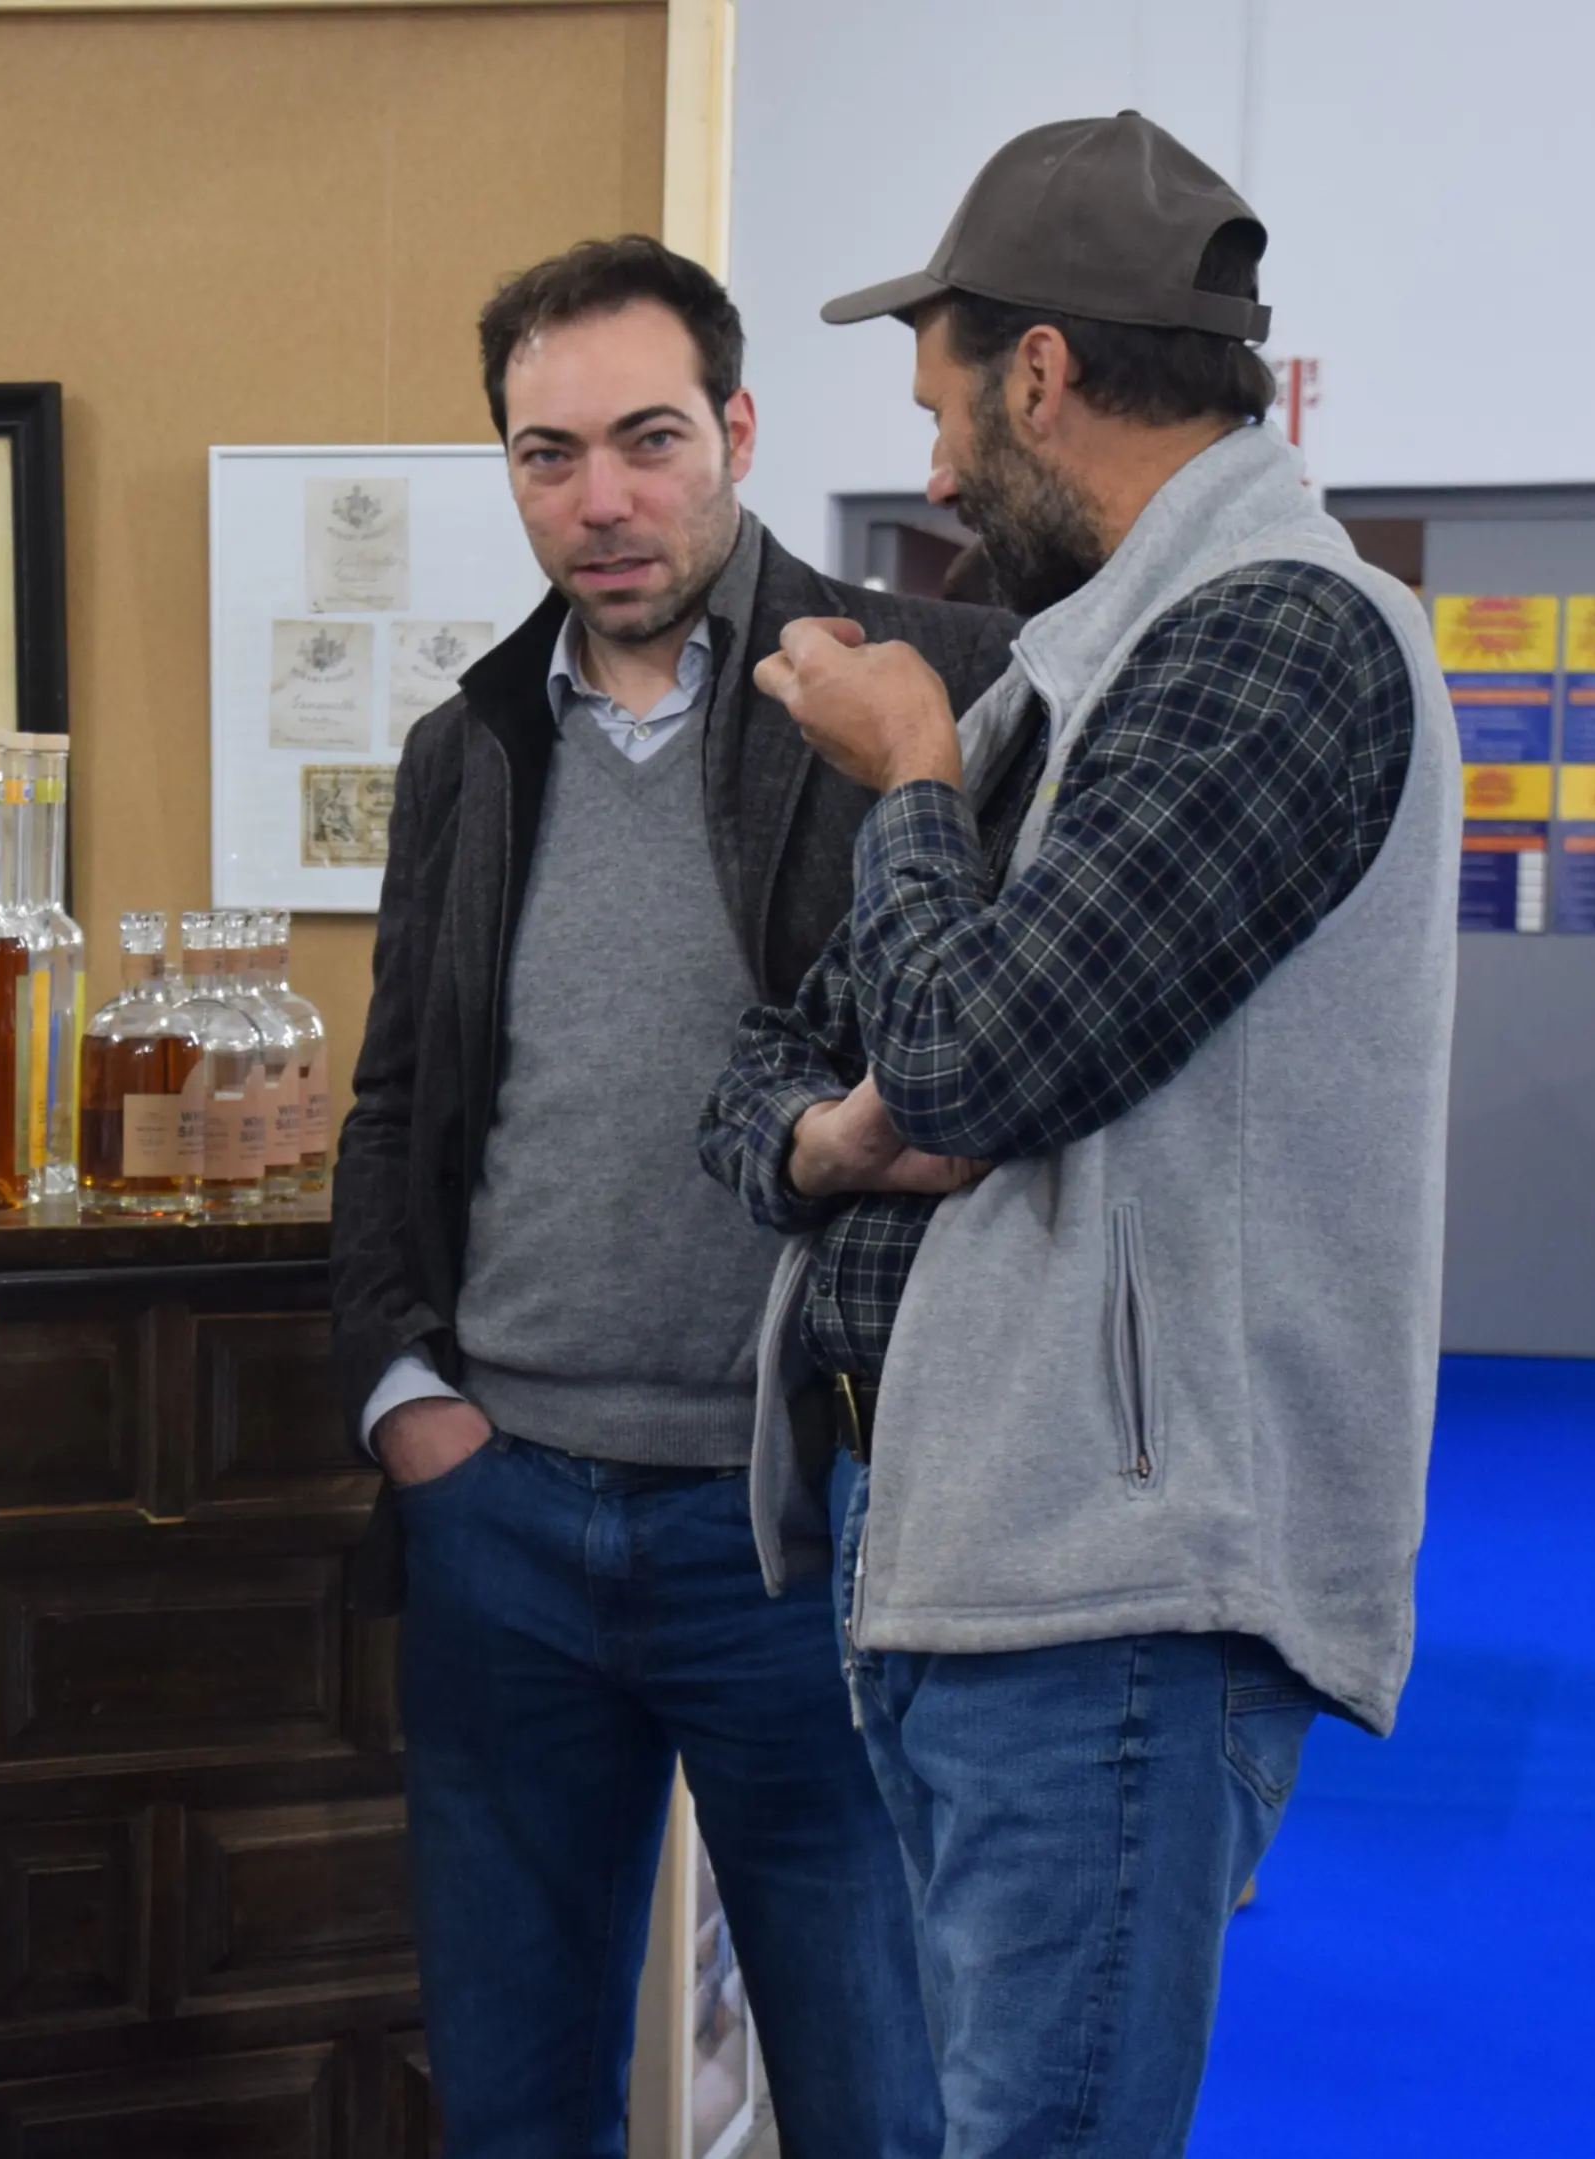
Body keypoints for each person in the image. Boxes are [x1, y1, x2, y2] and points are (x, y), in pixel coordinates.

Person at [700, 113, 1459, 2157]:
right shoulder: (1088, 672)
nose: (934, 468)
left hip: (1106, 1574)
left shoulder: (1284, 640)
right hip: (963, 1535)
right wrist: (828, 1139)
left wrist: (916, 780)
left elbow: (963, 1063)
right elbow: (780, 1076)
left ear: (1039, 373)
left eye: (942, 405)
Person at [329, 235, 1014, 2159]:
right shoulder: (468, 749)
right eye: (548, 455)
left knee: (879, 2098)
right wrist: (411, 1404)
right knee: (520, 2102)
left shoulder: (928, 682)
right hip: (506, 1515)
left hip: (814, 1516)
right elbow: (397, 1110)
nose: (601, 499)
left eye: (645, 439)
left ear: (736, 429)